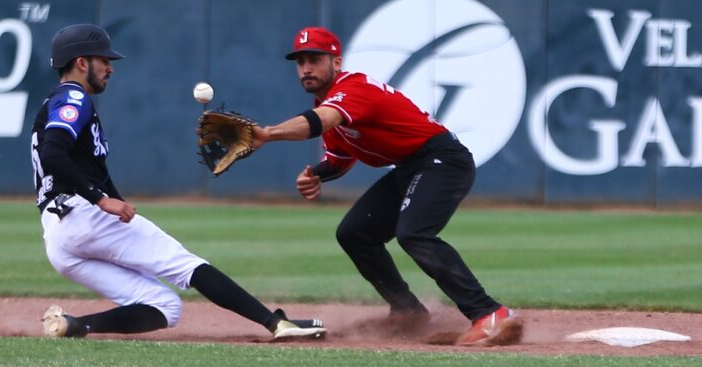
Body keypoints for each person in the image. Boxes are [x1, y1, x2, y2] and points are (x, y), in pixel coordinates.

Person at [30, 24, 326, 340]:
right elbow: (53, 154)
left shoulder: (57, 101)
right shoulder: (74, 97)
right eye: (104, 60)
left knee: (165, 306)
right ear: (81, 63)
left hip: (59, 238)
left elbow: (83, 165)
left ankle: (75, 326)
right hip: (83, 213)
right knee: (187, 266)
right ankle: (276, 324)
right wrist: (101, 200)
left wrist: (115, 201)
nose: (110, 68)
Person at [251, 27, 522, 346]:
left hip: (443, 159)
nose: (306, 67)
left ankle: (489, 313)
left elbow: (321, 121)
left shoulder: (352, 88)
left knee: (414, 233)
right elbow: (340, 158)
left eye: (315, 59)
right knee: (354, 233)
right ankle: (408, 311)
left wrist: (268, 133)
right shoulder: (326, 102)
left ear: (336, 63)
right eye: (300, 62)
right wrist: (318, 174)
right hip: (412, 167)